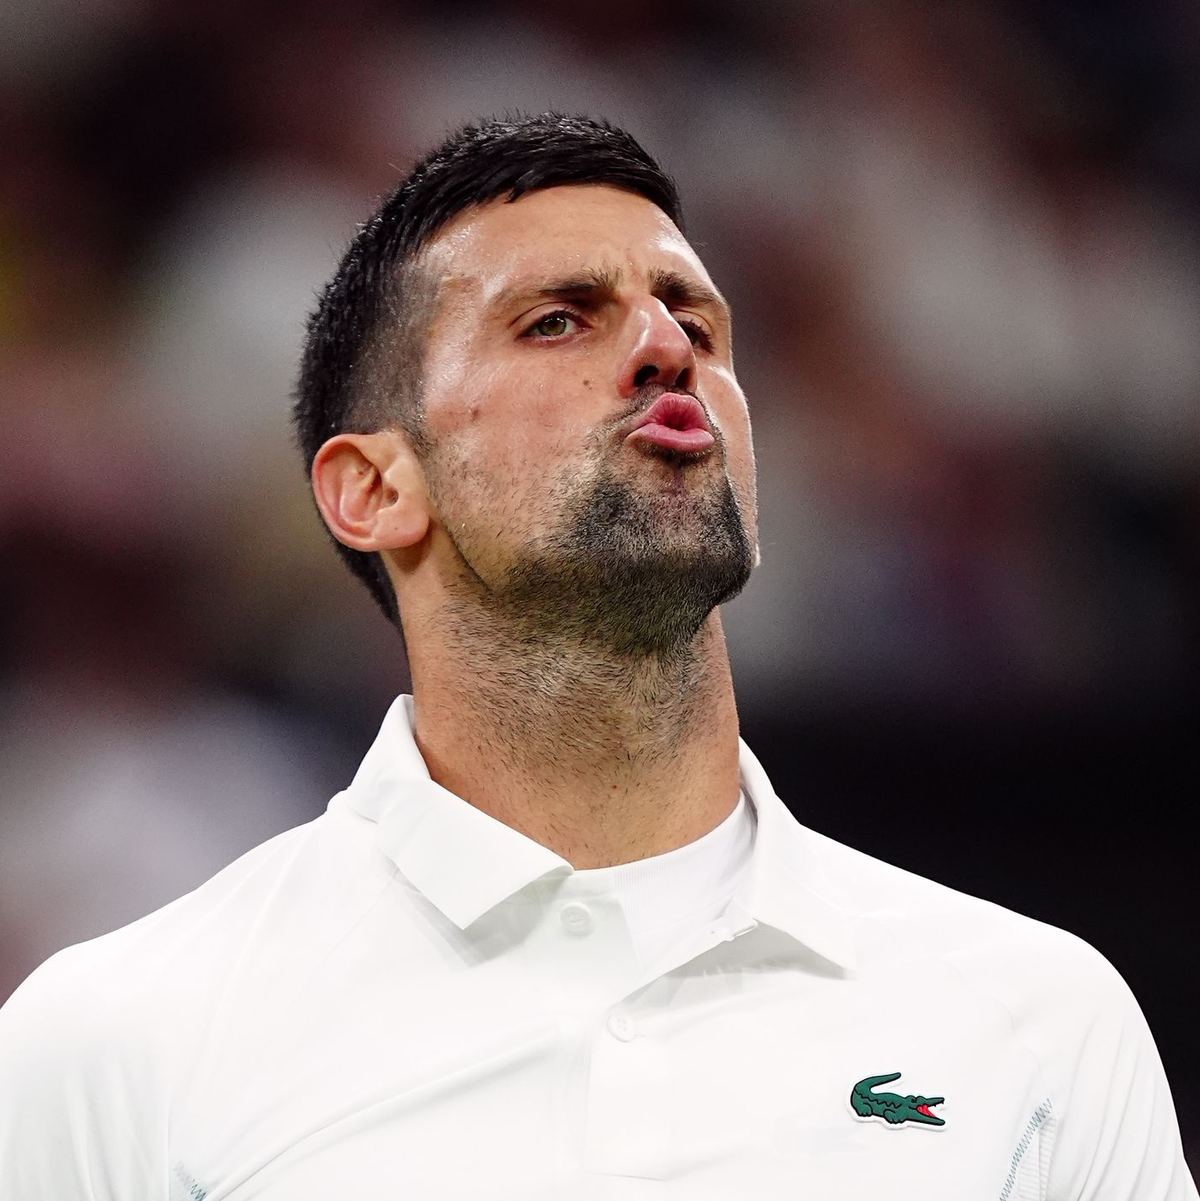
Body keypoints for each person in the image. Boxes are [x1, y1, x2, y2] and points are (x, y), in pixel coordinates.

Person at [0, 113, 1193, 1200]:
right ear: (372, 488)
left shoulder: (1040, 1022)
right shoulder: (116, 1044)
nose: (668, 350)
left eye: (698, 320)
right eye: (558, 318)